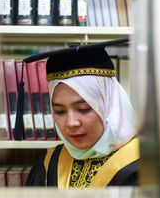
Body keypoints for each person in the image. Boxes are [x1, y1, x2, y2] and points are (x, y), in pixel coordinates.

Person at [24, 39, 139, 188]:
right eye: (59, 111)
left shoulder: (142, 167)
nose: (71, 123)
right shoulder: (48, 165)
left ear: (110, 106)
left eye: (84, 108)